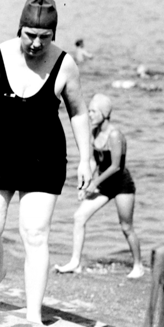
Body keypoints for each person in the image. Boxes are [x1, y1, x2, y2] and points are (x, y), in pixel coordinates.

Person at [0, 0, 92, 325]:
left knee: (35, 233)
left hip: (43, 156)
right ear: (20, 28)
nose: (35, 43)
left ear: (53, 34)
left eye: (44, 37)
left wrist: (86, 159)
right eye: (30, 35)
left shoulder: (64, 64)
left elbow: (78, 112)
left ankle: (33, 317)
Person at [54, 94, 144, 278]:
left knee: (126, 226)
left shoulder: (115, 135)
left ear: (104, 113)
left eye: (93, 111)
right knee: (79, 217)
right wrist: (85, 183)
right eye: (89, 110)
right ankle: (75, 262)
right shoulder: (94, 132)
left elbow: (116, 166)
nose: (90, 114)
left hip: (121, 186)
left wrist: (94, 183)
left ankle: (138, 266)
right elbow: (96, 161)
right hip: (104, 185)